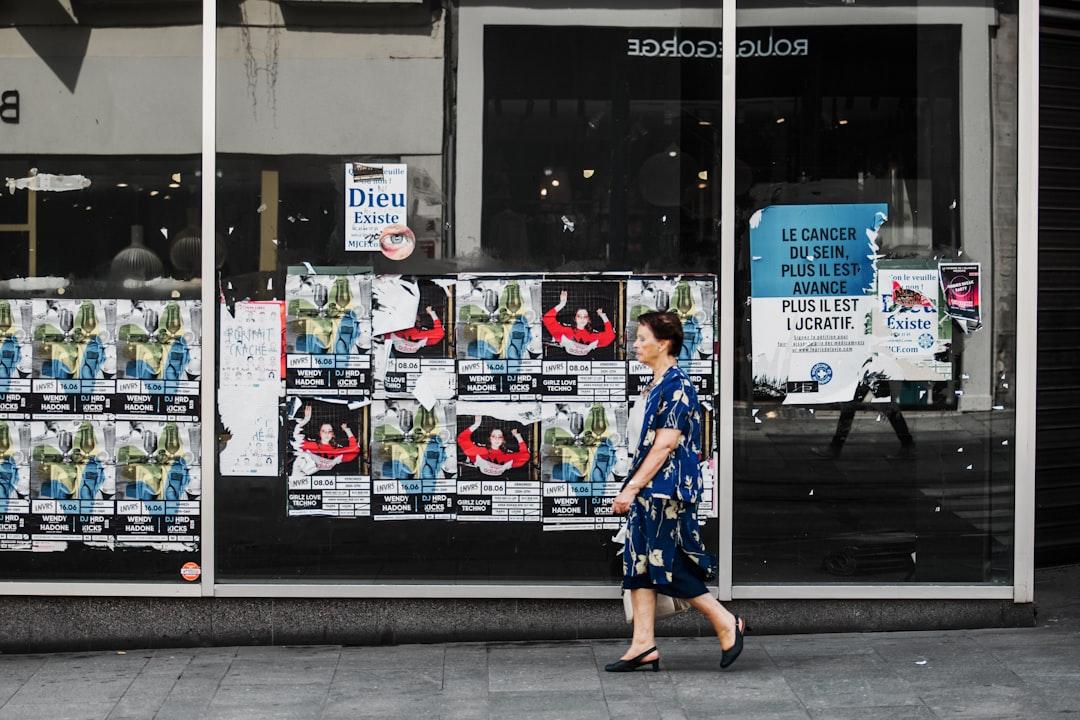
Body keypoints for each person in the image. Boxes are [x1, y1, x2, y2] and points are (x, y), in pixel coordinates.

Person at [608, 310, 745, 673]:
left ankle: (725, 621)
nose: (635, 345)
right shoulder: (654, 385)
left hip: (665, 492)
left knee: (665, 564)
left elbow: (665, 445)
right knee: (637, 564)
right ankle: (642, 645)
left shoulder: (677, 386)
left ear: (663, 343)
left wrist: (631, 487)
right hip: (646, 492)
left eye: (641, 338)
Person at [292, 405, 360, 474]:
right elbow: (295, 437)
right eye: (323, 431)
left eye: (329, 431)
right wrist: (305, 420)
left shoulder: (337, 451)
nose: (326, 434)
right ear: (319, 433)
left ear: (333, 434)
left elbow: (355, 450)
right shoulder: (311, 445)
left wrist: (347, 430)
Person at [543, 290, 615, 353]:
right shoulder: (566, 331)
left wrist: (603, 316)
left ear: (588, 319)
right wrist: (562, 304)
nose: (582, 319)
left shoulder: (592, 336)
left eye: (585, 316)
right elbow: (547, 319)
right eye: (579, 316)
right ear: (575, 319)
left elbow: (611, 336)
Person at [457, 416, 530, 471]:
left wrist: (518, 436)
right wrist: (476, 424)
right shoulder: (479, 452)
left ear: (503, 440)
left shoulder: (507, 456)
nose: (497, 439)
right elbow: (462, 438)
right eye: (494, 436)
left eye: (500, 437)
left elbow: (525, 456)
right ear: (489, 439)